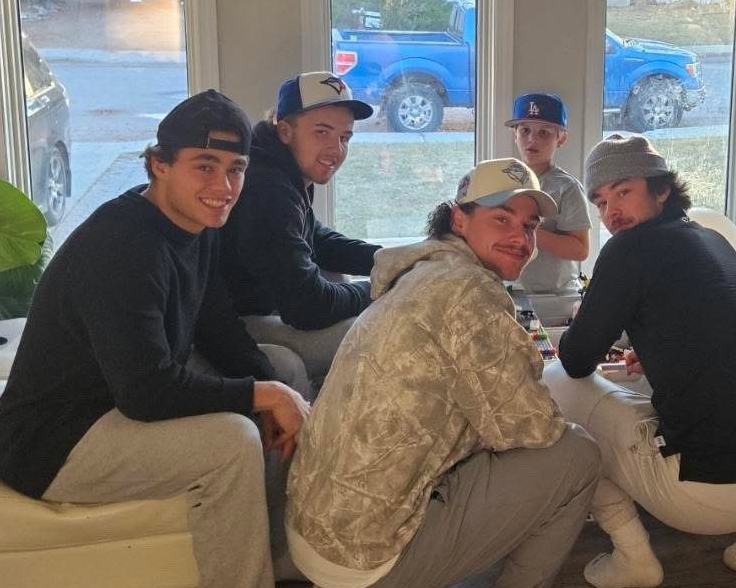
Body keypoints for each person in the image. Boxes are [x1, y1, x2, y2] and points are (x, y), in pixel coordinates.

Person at [0, 90, 311, 588]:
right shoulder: (121, 247)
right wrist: (263, 397)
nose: (223, 187)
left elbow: (218, 327)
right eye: (204, 166)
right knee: (234, 440)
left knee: (283, 367)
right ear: (159, 164)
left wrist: (274, 388)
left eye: (235, 168)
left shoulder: (197, 224)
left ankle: (284, 539)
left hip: (116, 396)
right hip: (55, 440)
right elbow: (147, 392)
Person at [286, 158, 602, 588]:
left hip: (314, 527)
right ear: (459, 218)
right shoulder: (469, 292)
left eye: (529, 226)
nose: (519, 237)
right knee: (577, 452)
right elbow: (533, 429)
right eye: (501, 218)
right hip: (365, 558)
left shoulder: (423, 272)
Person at [544, 134, 736, 587]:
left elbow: (577, 358)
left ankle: (633, 558)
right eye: (600, 202)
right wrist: (669, 345)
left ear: (661, 189)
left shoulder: (625, 249)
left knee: (557, 383)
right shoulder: (712, 239)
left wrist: (591, 314)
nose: (610, 212)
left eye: (623, 192)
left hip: (702, 498)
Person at [221, 71, 380, 391]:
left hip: (265, 301)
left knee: (336, 277)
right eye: (321, 132)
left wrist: (394, 258)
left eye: (344, 137)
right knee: (379, 329)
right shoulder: (267, 189)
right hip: (231, 325)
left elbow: (316, 239)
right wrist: (381, 285)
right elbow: (308, 308)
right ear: (285, 130)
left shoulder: (283, 168)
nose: (335, 149)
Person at [506, 92, 591, 296]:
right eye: (525, 130)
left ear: (561, 139)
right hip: (512, 289)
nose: (532, 139)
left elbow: (580, 250)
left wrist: (527, 231)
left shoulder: (566, 187)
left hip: (554, 295)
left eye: (544, 133)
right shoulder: (504, 179)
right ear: (514, 134)